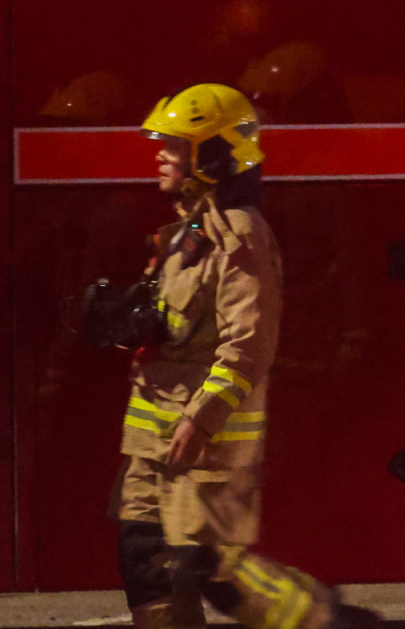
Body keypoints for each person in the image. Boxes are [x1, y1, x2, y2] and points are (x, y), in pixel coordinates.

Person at [116, 83, 353, 629]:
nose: (160, 155)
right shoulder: (186, 230)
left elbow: (248, 341)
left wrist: (201, 420)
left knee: (215, 571)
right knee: (148, 569)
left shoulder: (239, 232)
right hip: (151, 439)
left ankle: (326, 619)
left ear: (212, 156)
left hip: (202, 440)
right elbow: (178, 327)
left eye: (174, 146)